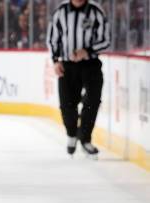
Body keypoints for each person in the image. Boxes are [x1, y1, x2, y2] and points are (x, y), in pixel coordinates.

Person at [47, 0, 110, 158]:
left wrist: (87, 51)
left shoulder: (95, 11)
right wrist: (55, 61)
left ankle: (85, 139)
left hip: (91, 64)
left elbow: (106, 40)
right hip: (67, 66)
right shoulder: (61, 11)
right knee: (67, 103)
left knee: (93, 101)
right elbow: (52, 39)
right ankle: (71, 134)